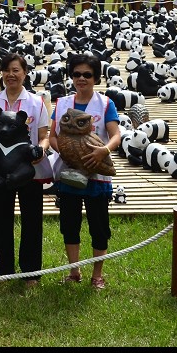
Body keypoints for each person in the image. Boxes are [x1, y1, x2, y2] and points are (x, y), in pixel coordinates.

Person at [0, 53, 52, 287]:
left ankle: (31, 273)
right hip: (0, 172)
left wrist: (40, 151)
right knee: (1, 220)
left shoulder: (35, 102)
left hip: (28, 171)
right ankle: (4, 270)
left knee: (32, 221)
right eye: (7, 70)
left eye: (16, 70)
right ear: (1, 73)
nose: (11, 75)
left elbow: (43, 136)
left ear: (25, 73)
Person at [50, 54, 121, 290]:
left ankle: (97, 274)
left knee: (99, 226)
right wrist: (65, 153)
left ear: (96, 78)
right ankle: (74, 270)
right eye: (76, 74)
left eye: (87, 75)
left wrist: (103, 151)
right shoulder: (61, 103)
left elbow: (116, 135)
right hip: (68, 175)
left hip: (97, 176)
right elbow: (52, 136)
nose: (81, 79)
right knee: (69, 224)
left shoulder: (105, 104)